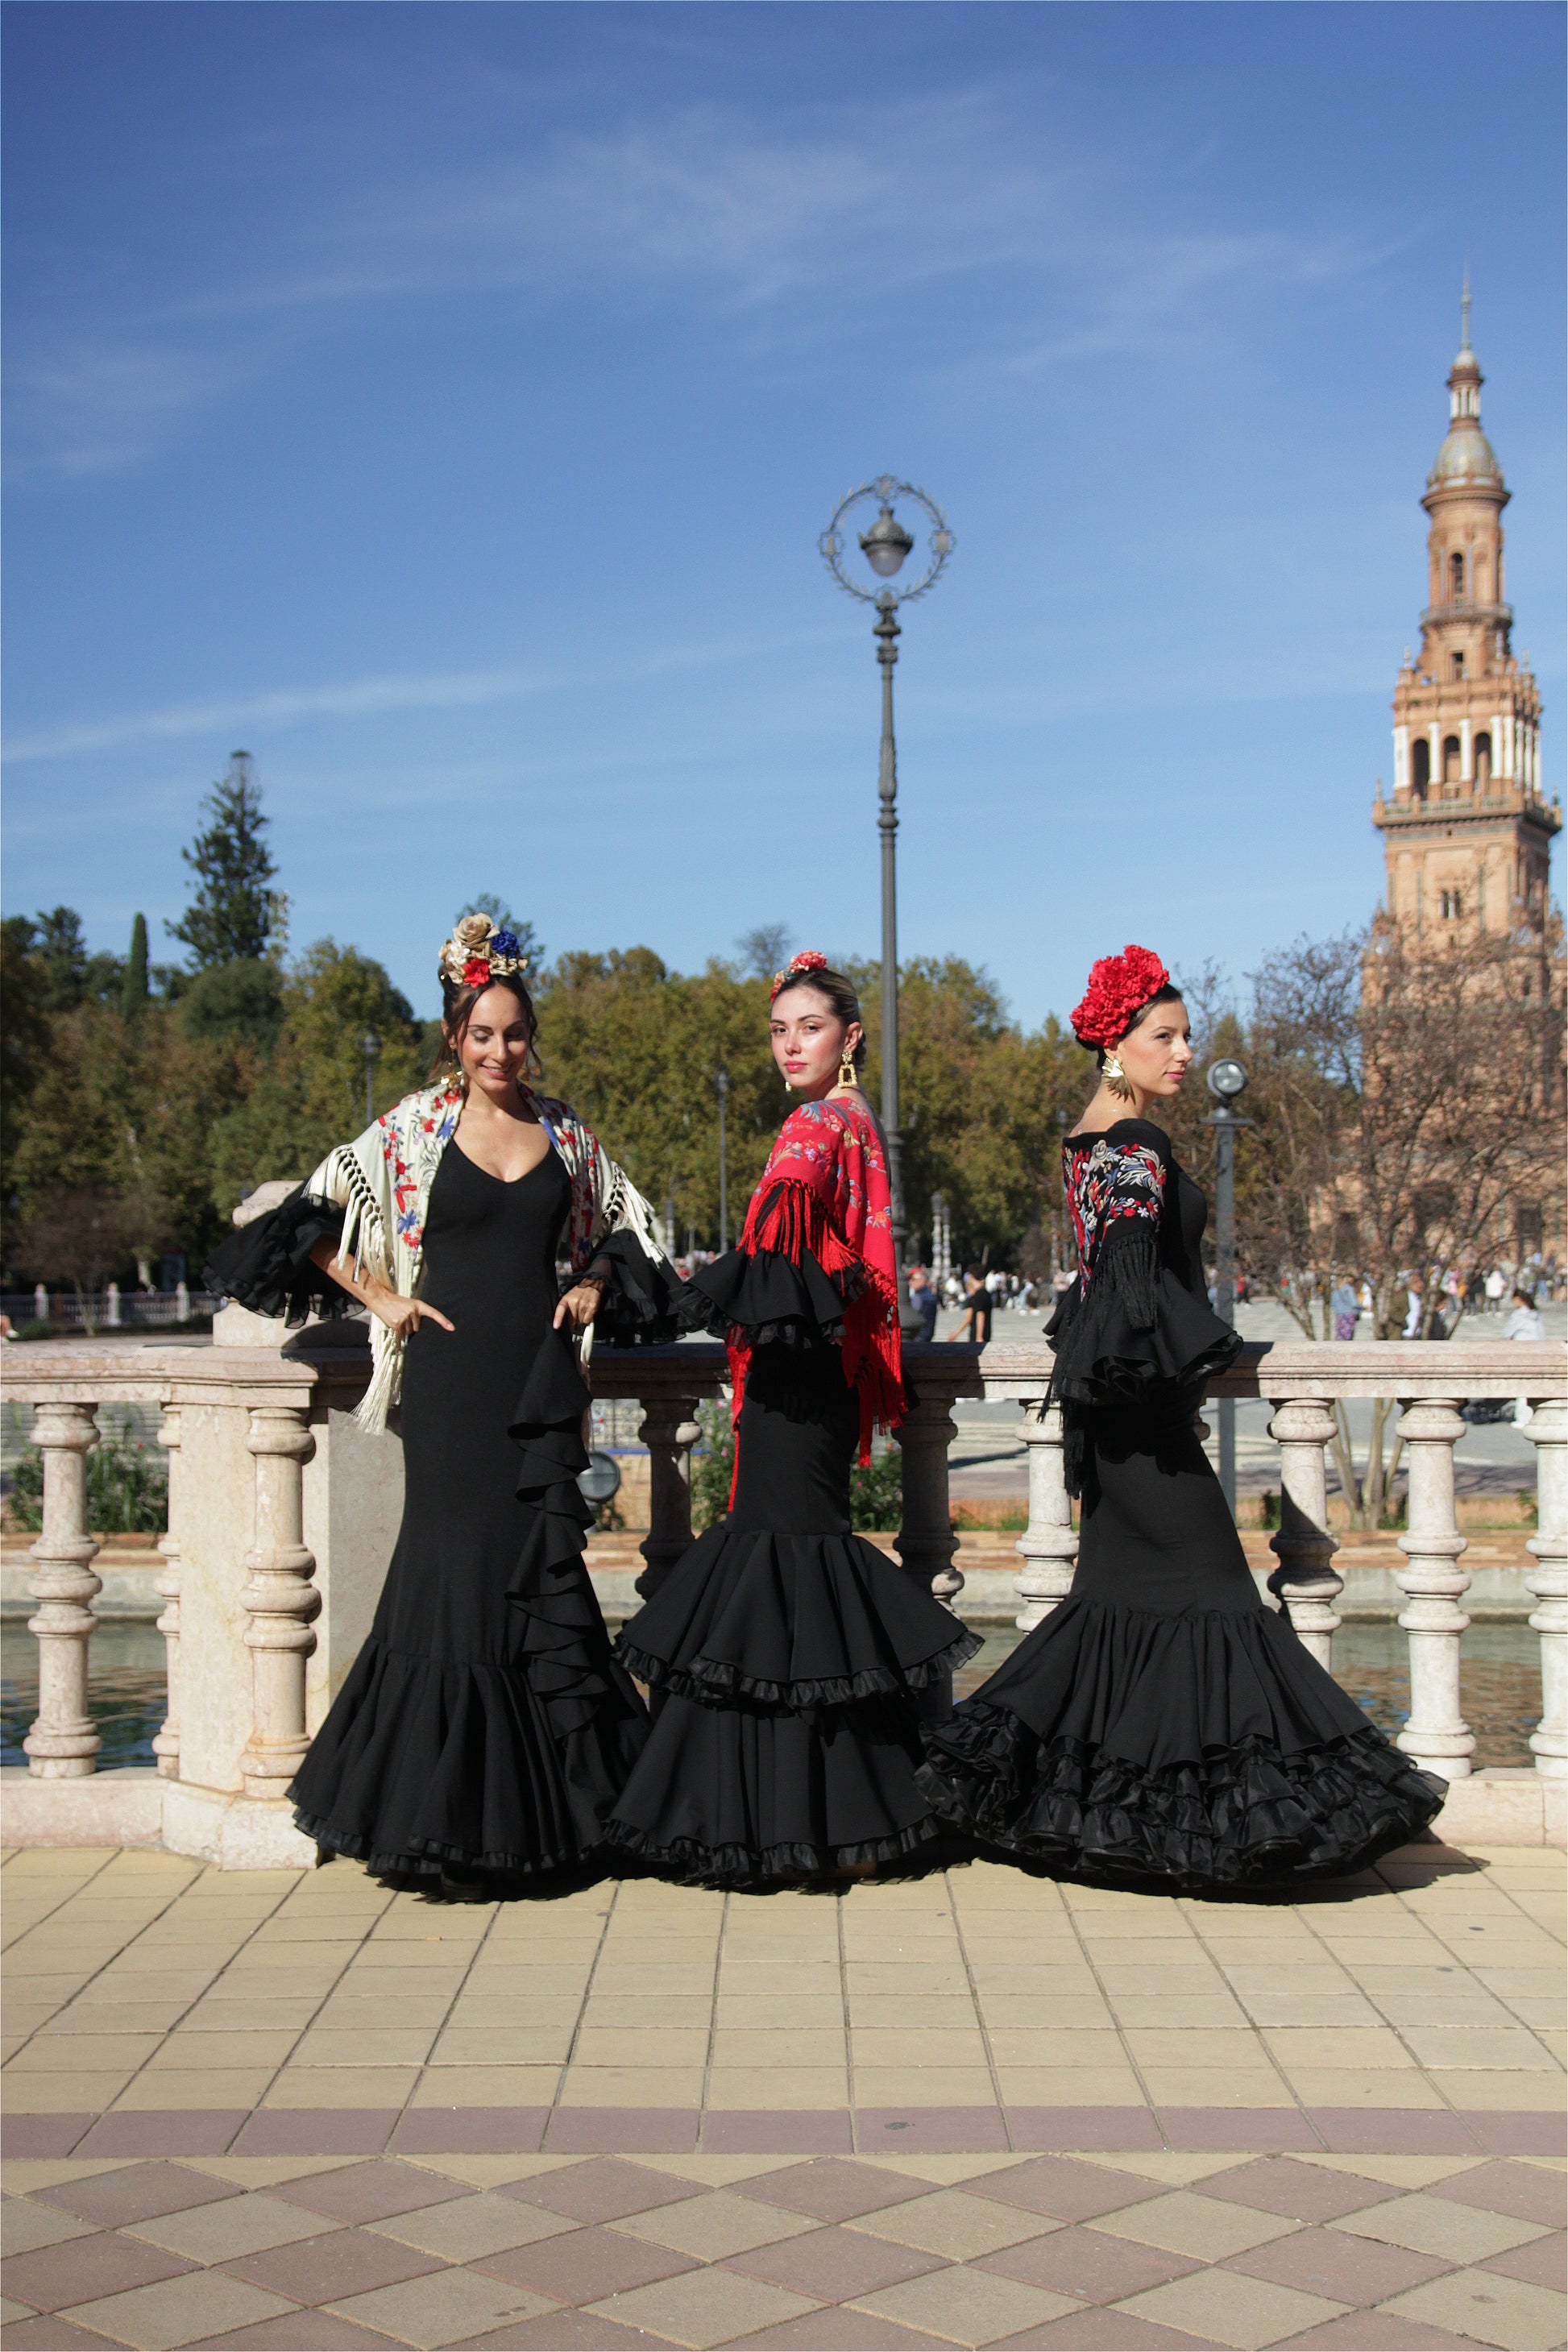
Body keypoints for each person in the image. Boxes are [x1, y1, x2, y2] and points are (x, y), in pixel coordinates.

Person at [918, 943, 1442, 1888]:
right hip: (1138, 1419)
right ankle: (1236, 1829)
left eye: (1187, 1034)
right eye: (1164, 1035)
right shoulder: (1134, 1143)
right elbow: (1122, 1267)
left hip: (1112, 1413)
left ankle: (1081, 1813)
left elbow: (1109, 1274)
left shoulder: (1091, 1133)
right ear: (1115, 1044)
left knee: (1113, 1610)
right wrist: (1166, 1338)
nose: (1185, 1051)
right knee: (1217, 1604)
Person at [206, 911, 674, 1896]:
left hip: (536, 1379)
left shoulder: (564, 1132)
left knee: (532, 1568)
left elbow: (631, 1235)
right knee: (450, 1574)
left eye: (513, 1033)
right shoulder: (412, 1131)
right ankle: (439, 1819)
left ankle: (554, 1813)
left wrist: (588, 1281)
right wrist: (378, 1295)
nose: (500, 1050)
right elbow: (298, 1222)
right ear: (454, 1038)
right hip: (452, 1384)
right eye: (481, 1034)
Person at [606, 951, 979, 1882]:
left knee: (775, 1572)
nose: (789, 1045)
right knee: (786, 1575)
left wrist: (664, 1285)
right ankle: (815, 1810)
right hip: (820, 1378)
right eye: (778, 1031)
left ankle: (758, 1817)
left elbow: (778, 1227)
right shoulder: (857, 1124)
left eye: (807, 1028)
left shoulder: (816, 1124)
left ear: (849, 1037)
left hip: (793, 1383)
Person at [953, 1269, 994, 1345]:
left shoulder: (980, 1295)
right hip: (978, 1335)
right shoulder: (980, 1294)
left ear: (971, 1276)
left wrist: (979, 1336)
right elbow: (968, 1317)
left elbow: (980, 1315)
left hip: (979, 1337)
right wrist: (955, 1334)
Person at [907, 1263, 940, 1343]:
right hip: (927, 1334)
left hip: (918, 1336)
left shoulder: (919, 1297)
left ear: (922, 1281)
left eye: (913, 1279)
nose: (911, 1282)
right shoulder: (930, 1295)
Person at [1330, 1276, 1360, 1344]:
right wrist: (1360, 1307)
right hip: (1349, 1314)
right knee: (1348, 1334)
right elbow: (1354, 1303)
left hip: (1339, 1314)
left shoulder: (1335, 1290)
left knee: (1340, 1334)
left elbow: (1333, 1303)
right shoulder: (1348, 1289)